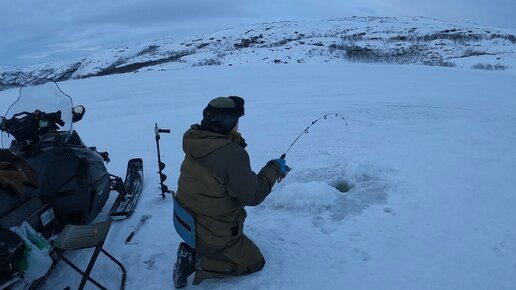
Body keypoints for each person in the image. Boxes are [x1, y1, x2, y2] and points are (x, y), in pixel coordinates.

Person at [172, 96, 289, 288]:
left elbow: (220, 169)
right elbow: (253, 195)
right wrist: (275, 168)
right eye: (236, 121)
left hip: (188, 220)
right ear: (230, 124)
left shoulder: (196, 140)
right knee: (254, 262)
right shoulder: (231, 155)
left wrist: (232, 142)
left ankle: (202, 250)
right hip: (212, 232)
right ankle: (197, 262)